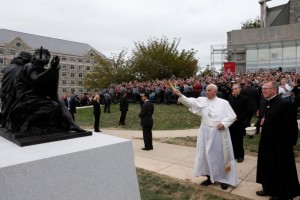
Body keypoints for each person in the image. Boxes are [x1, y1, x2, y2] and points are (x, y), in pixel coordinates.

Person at [172, 83, 238, 190]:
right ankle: (209, 177)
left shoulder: (224, 103)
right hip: (205, 132)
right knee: (206, 155)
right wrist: (180, 95)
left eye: (209, 90)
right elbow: (190, 102)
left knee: (220, 156)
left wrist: (224, 124)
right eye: (206, 90)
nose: (207, 92)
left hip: (218, 133)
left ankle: (223, 179)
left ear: (215, 92)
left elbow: (232, 117)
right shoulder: (201, 100)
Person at [6, 47, 84, 135]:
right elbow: (36, 79)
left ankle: (72, 124)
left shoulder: (43, 71)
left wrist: (55, 71)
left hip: (38, 98)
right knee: (52, 105)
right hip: (26, 98)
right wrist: (52, 69)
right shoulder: (28, 66)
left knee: (60, 103)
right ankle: (29, 121)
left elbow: (52, 90)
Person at [256, 81, 300, 200]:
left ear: (274, 90)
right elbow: (262, 118)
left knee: (281, 168)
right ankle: (269, 188)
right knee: (267, 165)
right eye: (262, 88)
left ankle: (283, 194)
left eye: (265, 88)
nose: (263, 90)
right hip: (266, 140)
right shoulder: (264, 101)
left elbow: (292, 124)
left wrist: (291, 142)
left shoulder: (284, 103)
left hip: (281, 142)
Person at [0, 51, 32, 128]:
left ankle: (3, 123)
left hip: (4, 92)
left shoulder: (7, 67)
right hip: (14, 93)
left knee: (6, 109)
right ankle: (10, 125)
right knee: (12, 110)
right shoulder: (23, 69)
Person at [228, 83, 248, 163]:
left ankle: (240, 156)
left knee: (239, 140)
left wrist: (238, 118)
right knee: (232, 139)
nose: (234, 90)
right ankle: (234, 154)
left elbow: (246, 111)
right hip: (231, 123)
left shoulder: (244, 99)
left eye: (235, 89)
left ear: (239, 89)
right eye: (233, 89)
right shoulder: (230, 98)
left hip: (239, 122)